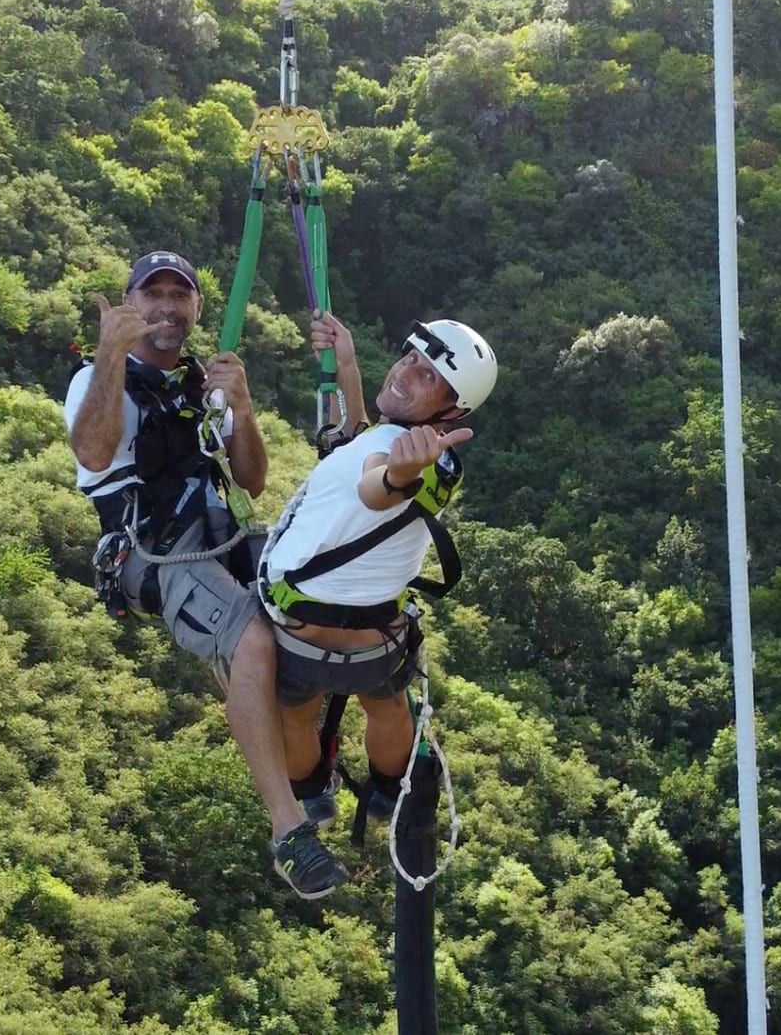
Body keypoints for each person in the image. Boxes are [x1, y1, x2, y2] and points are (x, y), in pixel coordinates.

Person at [222, 312, 498, 900]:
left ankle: (312, 788)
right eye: (409, 360)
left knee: (294, 715)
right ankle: (386, 790)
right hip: (374, 641)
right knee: (388, 705)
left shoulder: (419, 461)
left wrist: (397, 476)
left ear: (451, 414)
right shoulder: (423, 455)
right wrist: (347, 365)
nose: (405, 374)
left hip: (299, 634)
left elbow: (379, 482)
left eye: (426, 378)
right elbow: (367, 445)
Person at [63, 250, 274, 696]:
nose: (166, 307)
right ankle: (275, 767)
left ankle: (308, 752)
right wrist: (109, 354)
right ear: (129, 302)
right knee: (253, 637)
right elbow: (94, 457)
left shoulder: (202, 384)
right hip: (150, 551)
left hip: (217, 533)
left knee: (310, 598)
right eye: (152, 294)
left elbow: (251, 481)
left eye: (179, 295)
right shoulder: (97, 379)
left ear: (197, 307)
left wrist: (242, 408)